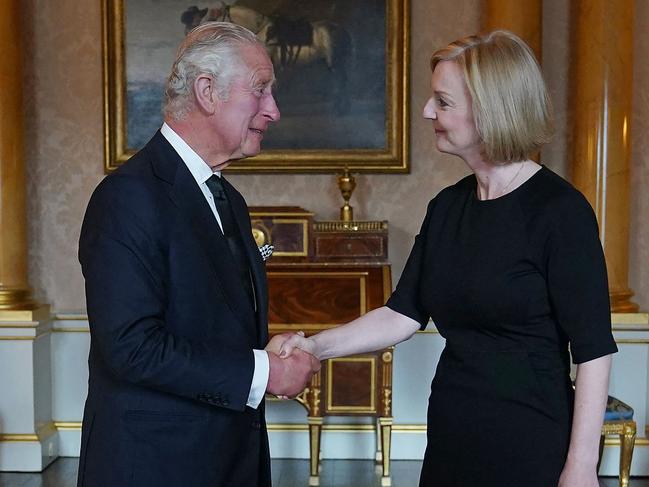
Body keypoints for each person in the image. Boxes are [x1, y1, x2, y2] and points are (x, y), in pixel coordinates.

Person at [274, 30, 617, 487]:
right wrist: (314, 345)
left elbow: (593, 350)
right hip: (454, 432)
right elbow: (401, 314)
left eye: (443, 101)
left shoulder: (560, 212)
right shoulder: (448, 207)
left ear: (490, 109)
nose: (427, 112)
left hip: (531, 439)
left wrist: (580, 466)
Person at [77, 22, 320, 487]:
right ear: (207, 91)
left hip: (228, 459)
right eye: (261, 89)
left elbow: (210, 323)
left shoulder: (226, 196)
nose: (274, 110)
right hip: (156, 467)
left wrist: (262, 355)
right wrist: (263, 371)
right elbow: (130, 347)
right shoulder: (127, 197)